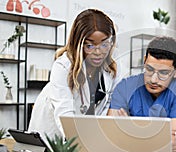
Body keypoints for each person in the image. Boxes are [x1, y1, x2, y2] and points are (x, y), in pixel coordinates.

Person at [28, 9, 120, 141]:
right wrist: (79, 143)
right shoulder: (63, 66)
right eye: (90, 45)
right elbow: (65, 116)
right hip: (52, 134)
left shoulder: (111, 69)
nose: (98, 52)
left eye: (104, 44)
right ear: (78, 43)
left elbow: (107, 108)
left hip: (85, 135)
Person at [107, 36, 176, 152]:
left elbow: (173, 141)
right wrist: (156, 138)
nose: (153, 79)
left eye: (163, 73)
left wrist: (131, 130)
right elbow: (111, 134)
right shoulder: (125, 86)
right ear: (144, 60)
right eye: (149, 69)